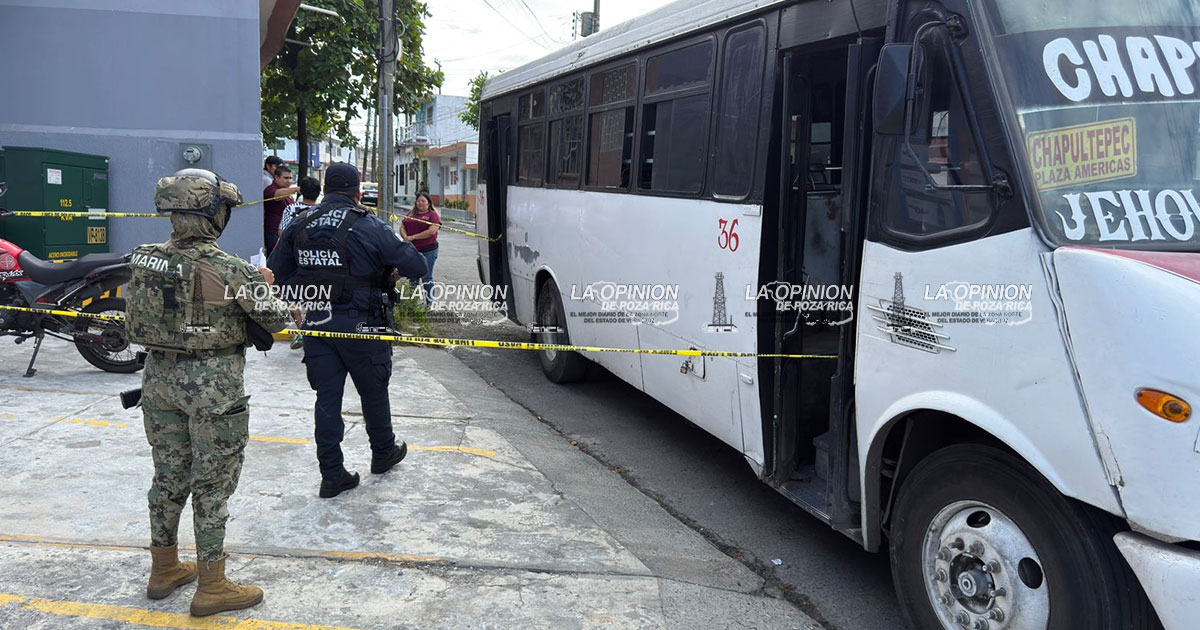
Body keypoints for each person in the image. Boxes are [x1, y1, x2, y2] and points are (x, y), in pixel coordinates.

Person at [126, 169, 295, 617]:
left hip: (158, 377)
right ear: (210, 212)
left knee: (168, 476)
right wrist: (267, 287)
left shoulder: (144, 258)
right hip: (213, 385)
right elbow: (278, 322)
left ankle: (163, 570)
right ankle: (213, 585)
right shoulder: (229, 268)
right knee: (213, 484)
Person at [268, 162, 427, 498]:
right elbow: (416, 264)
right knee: (373, 391)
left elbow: (277, 275)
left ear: (325, 190)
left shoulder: (301, 222)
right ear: (357, 193)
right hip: (363, 323)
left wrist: (313, 286)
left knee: (327, 400)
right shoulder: (368, 224)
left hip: (319, 323)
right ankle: (383, 452)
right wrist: (387, 270)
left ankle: (331, 474)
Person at [398, 192, 441, 306]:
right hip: (412, 250)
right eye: (418, 201)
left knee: (426, 277)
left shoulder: (432, 215)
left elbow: (432, 231)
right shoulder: (411, 214)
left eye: (423, 201)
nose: (420, 203)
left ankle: (430, 304)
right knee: (413, 277)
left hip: (428, 250)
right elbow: (402, 226)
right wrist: (405, 237)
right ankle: (412, 304)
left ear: (428, 203)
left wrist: (413, 237)